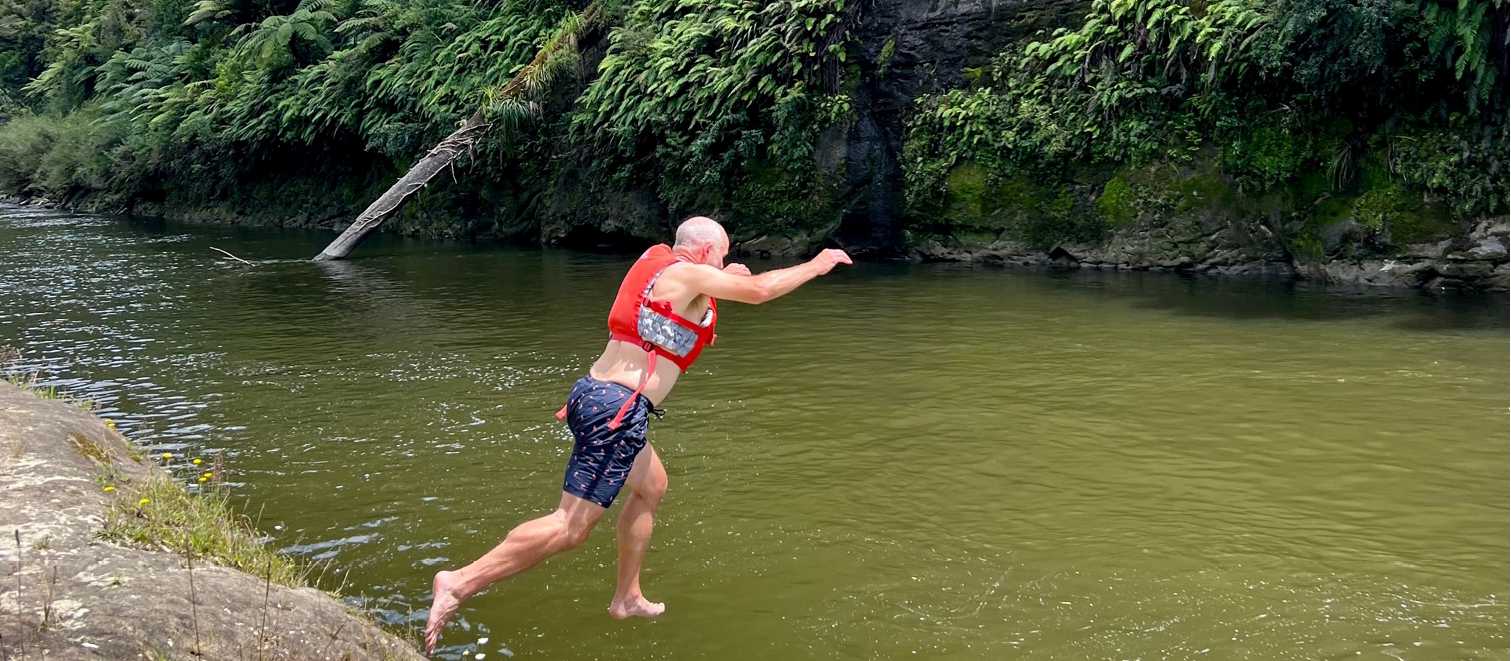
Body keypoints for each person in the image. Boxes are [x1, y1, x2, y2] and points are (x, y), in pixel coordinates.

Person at [423, 216, 852, 652]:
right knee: (570, 527)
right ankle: (458, 582)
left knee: (652, 485)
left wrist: (717, 279)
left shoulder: (664, 268)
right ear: (704, 251)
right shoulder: (688, 273)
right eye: (722, 254)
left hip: (599, 398)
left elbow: (676, 319)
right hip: (616, 409)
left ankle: (627, 596)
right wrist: (816, 265)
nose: (726, 261)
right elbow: (760, 291)